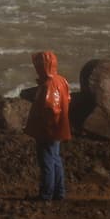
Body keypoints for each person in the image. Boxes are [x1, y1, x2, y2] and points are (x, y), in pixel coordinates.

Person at [23, 51, 71, 202]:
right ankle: (59, 193)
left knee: (47, 162)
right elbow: (67, 99)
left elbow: (50, 108)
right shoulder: (61, 80)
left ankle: (46, 195)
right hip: (57, 128)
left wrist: (44, 130)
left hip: (48, 131)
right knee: (55, 159)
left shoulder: (49, 85)